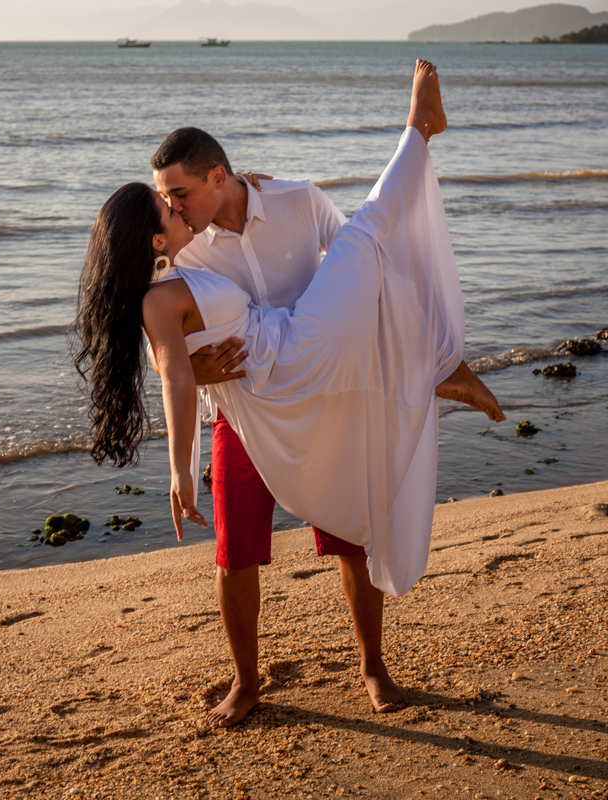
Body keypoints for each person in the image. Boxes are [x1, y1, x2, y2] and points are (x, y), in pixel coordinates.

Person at [74, 60, 505, 727]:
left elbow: (374, 272)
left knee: (351, 532)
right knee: (235, 550)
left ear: (219, 176)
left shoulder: (298, 200)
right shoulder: (181, 254)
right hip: (250, 408)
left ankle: (373, 666)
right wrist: (198, 407)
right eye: (166, 202)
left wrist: (412, 338)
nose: (177, 206)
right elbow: (174, 361)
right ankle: (247, 683)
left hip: (323, 378)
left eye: (178, 192)